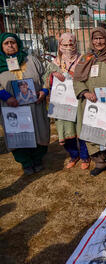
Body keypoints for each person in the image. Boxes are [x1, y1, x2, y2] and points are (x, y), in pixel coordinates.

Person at [73, 27, 106, 177]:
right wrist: (85, 92)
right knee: (94, 133)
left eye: (101, 38)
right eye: (95, 39)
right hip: (92, 103)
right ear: (91, 41)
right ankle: (100, 162)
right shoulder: (86, 58)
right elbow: (77, 79)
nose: (98, 41)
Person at [0, 33, 50, 175]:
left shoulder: (31, 60)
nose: (10, 45)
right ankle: (26, 162)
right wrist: (6, 97)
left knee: (39, 131)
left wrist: (44, 91)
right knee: (17, 134)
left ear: (18, 44)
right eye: (6, 43)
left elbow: (45, 75)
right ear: (2, 46)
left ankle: (38, 159)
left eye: (13, 42)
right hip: (11, 106)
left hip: (35, 105)